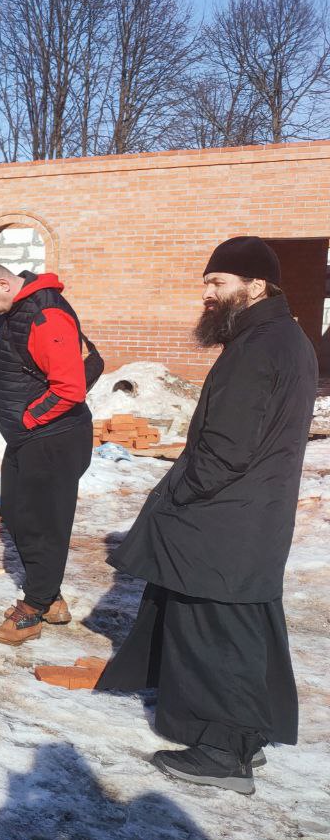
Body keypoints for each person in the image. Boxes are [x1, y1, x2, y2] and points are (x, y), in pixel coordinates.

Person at [97, 237, 316, 795]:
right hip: (248, 514)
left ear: (257, 285)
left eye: (218, 283)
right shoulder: (277, 338)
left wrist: (178, 495)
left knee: (216, 636)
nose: (208, 294)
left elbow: (227, 448)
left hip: (225, 518)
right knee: (242, 628)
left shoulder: (261, 347)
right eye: (207, 283)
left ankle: (224, 753)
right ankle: (244, 738)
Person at [0, 260, 95, 645]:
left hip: (54, 439)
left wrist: (29, 419)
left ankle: (33, 611)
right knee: (19, 518)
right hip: (28, 439)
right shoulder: (16, 309)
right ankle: (50, 598)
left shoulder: (45, 316)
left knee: (43, 524)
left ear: (3, 283)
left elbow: (70, 388)